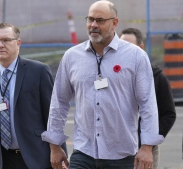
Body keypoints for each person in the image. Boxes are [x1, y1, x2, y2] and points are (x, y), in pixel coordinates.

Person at [41, 1, 164, 169]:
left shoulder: (136, 57)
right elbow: (59, 102)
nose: (93, 25)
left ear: (114, 23)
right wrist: (54, 146)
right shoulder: (72, 57)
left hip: (122, 156)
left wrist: (147, 147)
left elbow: (147, 104)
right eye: (90, 19)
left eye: (100, 20)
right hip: (83, 153)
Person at [0, 22, 67, 169]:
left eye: (6, 40)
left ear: (18, 43)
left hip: (36, 159)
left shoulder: (38, 71)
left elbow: (53, 114)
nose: (0, 45)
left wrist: (59, 151)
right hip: (2, 161)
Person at [120, 27, 176, 169]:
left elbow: (168, 114)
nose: (124, 52)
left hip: (144, 150)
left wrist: (148, 144)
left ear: (141, 48)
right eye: (120, 47)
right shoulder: (111, 74)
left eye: (130, 47)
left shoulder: (156, 76)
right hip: (114, 151)